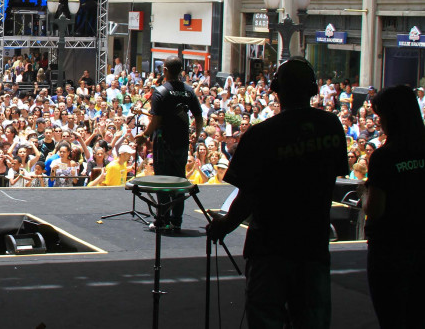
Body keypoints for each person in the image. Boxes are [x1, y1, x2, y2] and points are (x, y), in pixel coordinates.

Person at [208, 57, 346, 329]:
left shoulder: (260, 136)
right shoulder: (331, 126)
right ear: (313, 90)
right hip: (313, 243)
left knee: (266, 318)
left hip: (270, 247)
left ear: (275, 88)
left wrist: (225, 224)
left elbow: (248, 196)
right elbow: (332, 177)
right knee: (312, 319)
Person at [364, 85, 425, 328]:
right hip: (421, 244)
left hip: (390, 250)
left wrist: (365, 194)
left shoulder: (384, 157)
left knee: (392, 316)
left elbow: (375, 209)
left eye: (380, 117)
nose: (379, 123)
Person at [136, 57, 202, 232]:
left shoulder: (160, 91)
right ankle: (176, 221)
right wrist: (197, 133)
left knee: (163, 182)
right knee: (179, 180)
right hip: (182, 142)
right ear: (180, 70)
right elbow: (199, 116)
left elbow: (156, 120)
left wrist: (144, 135)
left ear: (164, 70)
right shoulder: (189, 91)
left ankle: (163, 220)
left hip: (164, 143)